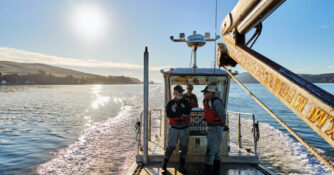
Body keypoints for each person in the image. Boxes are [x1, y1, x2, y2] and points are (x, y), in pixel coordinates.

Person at [162, 85, 191, 175]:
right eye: (179, 91)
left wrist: (176, 112)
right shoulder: (170, 103)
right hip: (173, 128)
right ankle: (164, 166)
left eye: (182, 91)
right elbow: (169, 115)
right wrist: (180, 113)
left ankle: (182, 166)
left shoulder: (186, 102)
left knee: (184, 148)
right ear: (174, 93)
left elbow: (188, 111)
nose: (181, 93)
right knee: (170, 147)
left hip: (185, 128)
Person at [201, 85, 228, 175]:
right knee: (216, 152)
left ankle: (207, 172)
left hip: (216, 128)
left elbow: (222, 114)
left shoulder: (216, 102)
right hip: (211, 128)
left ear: (211, 93)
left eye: (206, 93)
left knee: (211, 151)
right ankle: (216, 171)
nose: (204, 94)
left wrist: (223, 124)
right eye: (204, 93)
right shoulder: (209, 101)